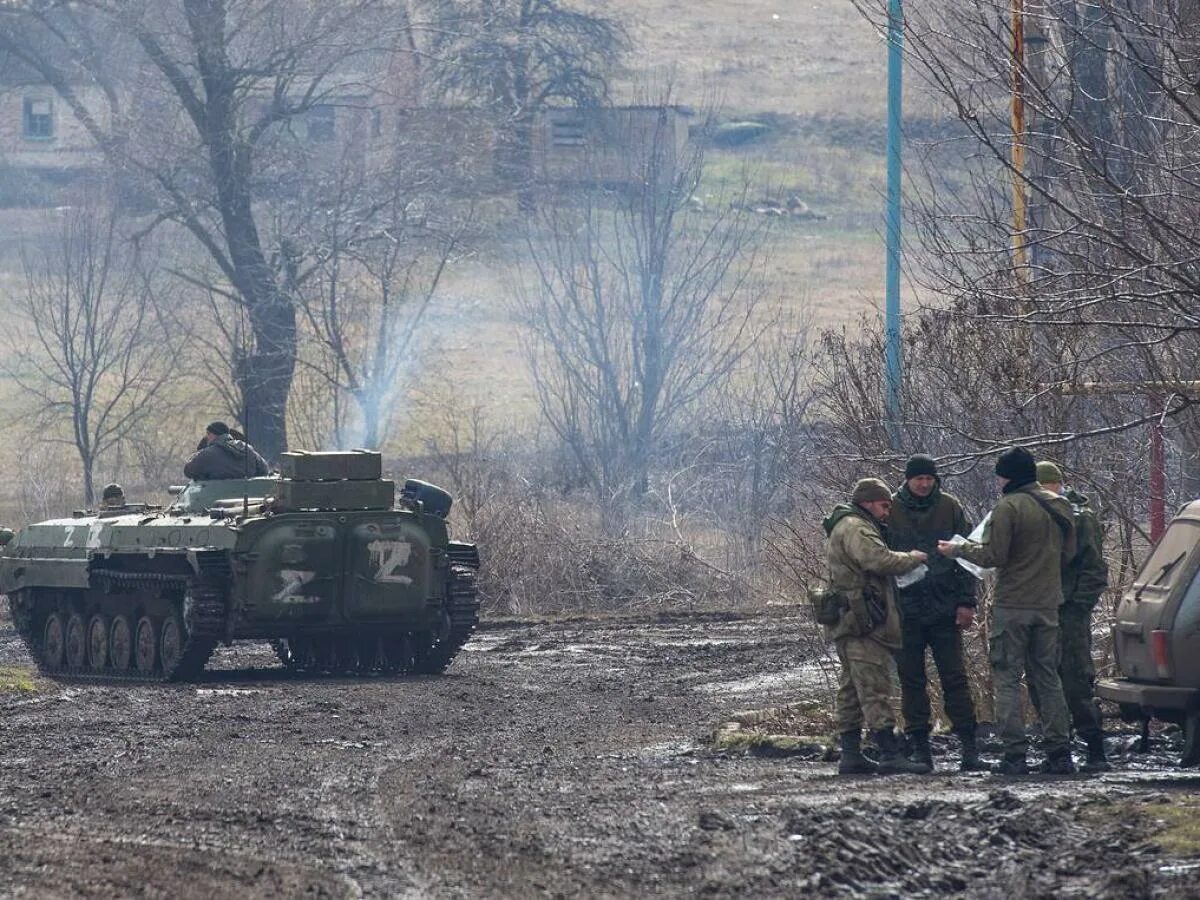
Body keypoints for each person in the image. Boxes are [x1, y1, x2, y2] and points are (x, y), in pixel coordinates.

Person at [937, 447, 1077, 775]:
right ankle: (1059, 752)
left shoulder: (1009, 506)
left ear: (1009, 475)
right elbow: (1069, 555)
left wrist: (956, 549)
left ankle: (1015, 753)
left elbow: (993, 555)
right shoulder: (1060, 505)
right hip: (1048, 604)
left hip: (1013, 604)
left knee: (1007, 678)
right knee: (1048, 677)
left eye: (1001, 474)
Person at [824, 477, 932, 776]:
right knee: (874, 686)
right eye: (884, 505)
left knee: (850, 688)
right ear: (869, 502)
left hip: (850, 619)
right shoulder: (857, 527)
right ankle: (888, 751)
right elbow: (878, 560)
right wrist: (911, 558)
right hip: (863, 622)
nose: (887, 512)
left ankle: (851, 754)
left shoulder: (845, 524)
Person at [887, 454, 988, 772]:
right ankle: (920, 747)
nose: (925, 483)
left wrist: (967, 602)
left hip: (945, 607)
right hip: (906, 609)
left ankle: (969, 747)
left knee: (955, 678)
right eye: (919, 478)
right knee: (911, 680)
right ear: (908, 479)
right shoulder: (891, 509)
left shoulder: (950, 507)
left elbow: (967, 557)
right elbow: (881, 558)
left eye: (929, 478)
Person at [1033, 460, 1111, 772]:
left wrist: (1079, 606)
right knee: (1043, 679)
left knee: (1077, 679)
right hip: (1043, 607)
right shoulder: (1037, 515)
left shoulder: (1080, 517)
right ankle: (1057, 746)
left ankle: (1094, 747)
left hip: (1069, 611)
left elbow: (1094, 567)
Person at [184, 421, 270, 481]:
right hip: (248, 496)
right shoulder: (248, 449)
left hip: (213, 497)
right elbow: (264, 470)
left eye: (208, 434)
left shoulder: (207, 454)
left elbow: (188, 471)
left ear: (214, 434)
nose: (207, 437)